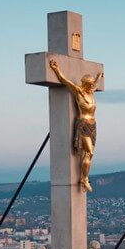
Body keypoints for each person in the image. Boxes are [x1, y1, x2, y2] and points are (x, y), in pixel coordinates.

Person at [49, 59, 102, 192]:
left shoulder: (92, 92)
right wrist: (56, 69)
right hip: (83, 125)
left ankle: (84, 178)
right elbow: (65, 81)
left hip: (93, 126)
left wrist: (99, 76)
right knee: (89, 152)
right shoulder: (79, 91)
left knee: (89, 154)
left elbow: (97, 84)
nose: (91, 87)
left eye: (91, 85)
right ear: (84, 84)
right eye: (89, 85)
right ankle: (84, 179)